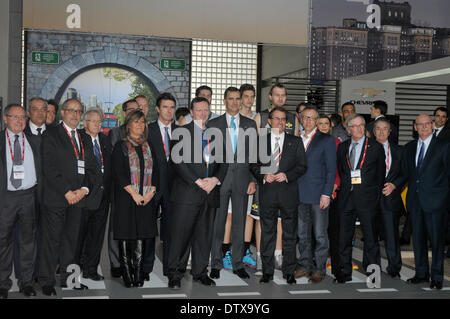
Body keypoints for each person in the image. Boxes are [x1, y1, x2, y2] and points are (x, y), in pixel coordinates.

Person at [39, 98, 101, 296]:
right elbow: (49, 168)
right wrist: (67, 192)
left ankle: (70, 280)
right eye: (71, 111)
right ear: (63, 113)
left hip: (78, 199)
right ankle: (47, 281)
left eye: (78, 111)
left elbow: (92, 169)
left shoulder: (83, 137)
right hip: (57, 198)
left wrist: (83, 191)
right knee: (52, 241)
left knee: (72, 243)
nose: (75, 115)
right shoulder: (51, 135)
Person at [167, 97, 228, 290]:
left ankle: (200, 272)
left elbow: (224, 162)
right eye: (199, 110)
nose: (203, 113)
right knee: (181, 236)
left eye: (206, 110)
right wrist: (197, 180)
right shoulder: (180, 132)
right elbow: (178, 163)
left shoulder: (216, 134)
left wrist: (216, 180)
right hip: (187, 192)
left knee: (204, 236)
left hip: (210, 193)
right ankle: (175, 274)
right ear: (191, 113)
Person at [251, 107, 307, 285]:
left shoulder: (295, 141)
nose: (281, 122)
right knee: (268, 233)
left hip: (288, 193)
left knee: (290, 235)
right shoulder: (260, 141)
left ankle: (288, 271)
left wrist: (287, 175)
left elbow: (302, 165)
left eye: (283, 119)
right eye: (277, 119)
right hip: (267, 193)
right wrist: (262, 175)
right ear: (269, 121)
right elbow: (252, 164)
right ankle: (267, 271)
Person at [394, 114, 449, 290]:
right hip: (415, 201)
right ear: (415, 127)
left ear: (432, 125)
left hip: (436, 202)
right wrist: (393, 185)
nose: (424, 127)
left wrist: (444, 198)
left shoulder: (444, 146)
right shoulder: (409, 147)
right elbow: (405, 173)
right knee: (417, 240)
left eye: (428, 124)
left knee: (436, 241)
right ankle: (421, 273)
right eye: (420, 124)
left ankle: (437, 276)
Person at [208, 87, 257, 280]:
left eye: (238, 99)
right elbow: (209, 156)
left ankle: (237, 264)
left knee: (239, 222)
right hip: (220, 180)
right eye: (231, 99)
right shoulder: (213, 124)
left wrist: (253, 180)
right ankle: (215, 263)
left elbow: (254, 155)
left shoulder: (250, 124)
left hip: (243, 179)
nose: (235, 102)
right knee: (217, 223)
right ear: (224, 101)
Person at [334, 114, 385, 283]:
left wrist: (374, 196)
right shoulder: (342, 147)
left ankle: (373, 274)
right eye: (354, 126)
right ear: (348, 130)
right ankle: (344, 272)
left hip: (367, 200)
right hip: (346, 198)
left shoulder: (376, 147)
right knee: (344, 237)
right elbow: (342, 172)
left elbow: (380, 176)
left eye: (362, 125)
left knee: (370, 238)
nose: (359, 128)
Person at [111, 110, 159, 288]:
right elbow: (119, 174)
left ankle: (138, 272)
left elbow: (157, 172)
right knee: (126, 234)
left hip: (146, 198)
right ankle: (126, 273)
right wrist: (135, 194)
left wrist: (150, 193)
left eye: (142, 122)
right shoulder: (120, 146)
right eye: (136, 122)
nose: (140, 125)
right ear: (128, 125)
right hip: (126, 198)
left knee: (141, 235)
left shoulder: (149, 146)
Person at [0, 104, 42, 299]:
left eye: (23, 117)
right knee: (3, 241)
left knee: (28, 241)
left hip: (28, 196)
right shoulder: (1, 140)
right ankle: (3, 283)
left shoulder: (34, 140)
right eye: (14, 117)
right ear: (5, 118)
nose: (19, 121)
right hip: (6, 197)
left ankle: (26, 282)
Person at [295, 107, 336, 283]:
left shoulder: (326, 140)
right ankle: (305, 265)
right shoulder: (295, 139)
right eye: (306, 118)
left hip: (319, 194)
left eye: (312, 118)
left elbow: (331, 169)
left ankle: (319, 269)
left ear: (317, 120)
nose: (308, 121)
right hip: (298, 194)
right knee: (302, 234)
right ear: (301, 119)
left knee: (320, 234)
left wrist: (327, 193)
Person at [107, 99, 141, 278]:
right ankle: (116, 263)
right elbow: (115, 164)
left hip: (139, 189)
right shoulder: (115, 133)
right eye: (131, 110)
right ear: (124, 113)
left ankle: (133, 263)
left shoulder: (143, 133)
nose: (134, 113)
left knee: (135, 226)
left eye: (138, 110)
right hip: (121, 189)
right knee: (116, 226)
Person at [77, 108, 112, 281]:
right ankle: (75, 270)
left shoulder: (105, 140)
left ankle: (91, 269)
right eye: (93, 121)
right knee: (79, 236)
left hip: (103, 197)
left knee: (97, 236)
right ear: (85, 123)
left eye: (100, 121)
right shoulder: (79, 140)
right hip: (84, 196)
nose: (98, 124)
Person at [147, 92, 178, 278]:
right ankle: (146, 267)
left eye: (172, 107)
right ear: (158, 109)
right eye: (165, 107)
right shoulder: (148, 129)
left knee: (171, 231)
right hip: (152, 187)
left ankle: (170, 268)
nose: (169, 111)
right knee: (149, 229)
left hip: (174, 189)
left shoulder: (182, 131)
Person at [373, 118, 403, 278]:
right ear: (373, 131)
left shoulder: (399, 151)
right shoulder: (367, 149)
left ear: (390, 132)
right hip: (371, 200)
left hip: (390, 199)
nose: (382, 131)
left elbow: (405, 173)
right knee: (371, 237)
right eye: (378, 128)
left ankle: (394, 268)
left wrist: (394, 185)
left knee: (391, 235)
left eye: (385, 129)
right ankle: (373, 266)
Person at [239, 83, 261, 273]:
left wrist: (254, 177)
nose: (249, 100)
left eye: (252, 96)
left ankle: (245, 250)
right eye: (246, 96)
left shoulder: (257, 119)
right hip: (231, 173)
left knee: (249, 215)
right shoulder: (231, 118)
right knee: (228, 216)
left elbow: (257, 151)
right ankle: (225, 250)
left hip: (249, 173)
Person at [316, 114, 342, 275]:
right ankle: (317, 260)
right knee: (317, 229)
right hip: (315, 191)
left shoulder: (337, 142)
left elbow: (338, 168)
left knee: (332, 228)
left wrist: (335, 186)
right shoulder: (311, 142)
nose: (324, 126)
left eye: (326, 123)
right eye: (321, 123)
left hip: (333, 190)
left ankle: (333, 259)